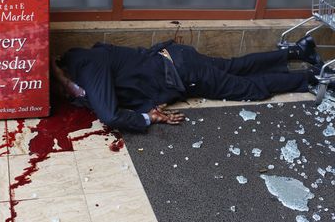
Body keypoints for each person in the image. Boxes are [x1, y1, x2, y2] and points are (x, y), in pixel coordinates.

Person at [51, 36, 328, 132]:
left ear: (63, 73)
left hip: (182, 72)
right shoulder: (79, 57)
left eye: (60, 87)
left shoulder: (87, 69)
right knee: (235, 66)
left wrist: (147, 118)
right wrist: (70, 85)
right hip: (177, 58)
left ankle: (310, 77)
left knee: (248, 89)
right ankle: (298, 51)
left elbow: (109, 114)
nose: (65, 94)